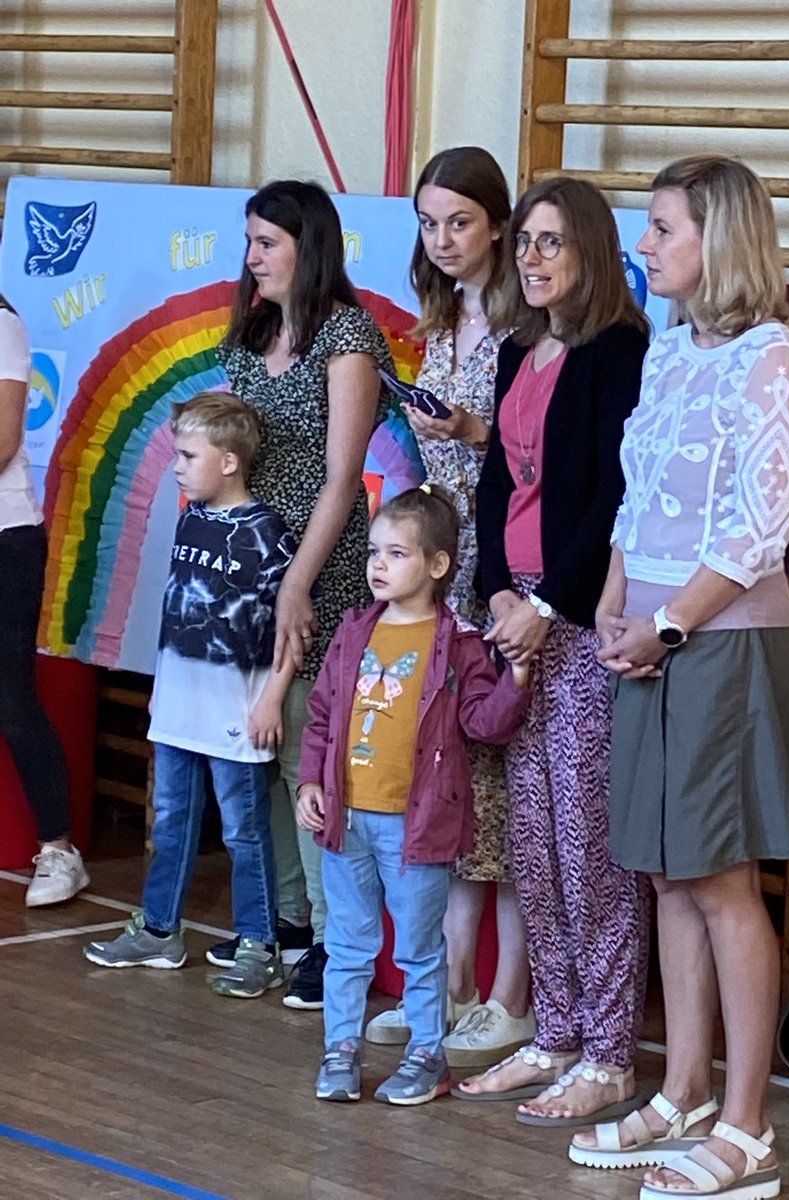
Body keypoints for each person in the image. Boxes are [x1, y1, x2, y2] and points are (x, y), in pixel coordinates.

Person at [574, 155, 789, 1200]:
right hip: (651, 631)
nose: (646, 245)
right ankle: (679, 1092)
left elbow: (758, 531)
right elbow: (639, 502)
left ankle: (747, 1126)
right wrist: (614, 598)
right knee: (670, 872)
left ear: (717, 239)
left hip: (718, 641)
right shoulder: (671, 353)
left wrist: (668, 626)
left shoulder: (773, 358)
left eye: (663, 228)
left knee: (723, 882)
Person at [455, 178, 651, 1124]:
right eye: (525, 243)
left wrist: (546, 601)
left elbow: (616, 495)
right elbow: (498, 482)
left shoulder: (621, 349)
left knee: (589, 849)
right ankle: (556, 1032)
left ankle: (610, 1053)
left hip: (576, 623)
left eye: (549, 244)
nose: (530, 260)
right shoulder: (519, 349)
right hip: (515, 620)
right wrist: (496, 587)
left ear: (591, 254)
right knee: (533, 843)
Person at [364, 146, 535, 1067]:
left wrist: (467, 428)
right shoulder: (442, 319)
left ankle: (510, 997)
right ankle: (452, 983)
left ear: (498, 224)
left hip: (502, 562)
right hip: (443, 558)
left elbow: (522, 446)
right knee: (454, 785)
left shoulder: (522, 319)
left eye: (460, 223)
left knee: (504, 787)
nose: (444, 240)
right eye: (430, 224)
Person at [211, 180, 393, 1009]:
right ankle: (285, 917)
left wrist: (296, 582)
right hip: (250, 562)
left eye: (267, 244)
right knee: (260, 752)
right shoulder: (250, 335)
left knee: (307, 754)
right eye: (249, 243)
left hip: (323, 565)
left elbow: (342, 478)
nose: (252, 259)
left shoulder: (347, 336)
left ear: (307, 247)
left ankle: (331, 934)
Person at [297, 485, 531, 1105]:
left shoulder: (458, 645)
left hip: (416, 827)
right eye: (375, 551)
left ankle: (427, 1054)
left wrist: (518, 678)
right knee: (347, 944)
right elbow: (323, 715)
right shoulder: (353, 631)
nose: (377, 565)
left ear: (436, 565)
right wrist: (312, 781)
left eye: (395, 553)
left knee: (422, 948)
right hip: (346, 821)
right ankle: (341, 1048)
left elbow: (485, 723)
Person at [84, 392, 296, 998]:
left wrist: (270, 698)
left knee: (243, 830)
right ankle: (159, 931)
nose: (176, 465)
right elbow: (176, 611)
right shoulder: (190, 517)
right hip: (179, 703)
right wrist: (160, 688)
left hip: (235, 708)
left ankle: (259, 944)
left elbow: (286, 627)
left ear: (229, 461)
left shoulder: (266, 532)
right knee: (173, 820)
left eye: (187, 455)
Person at [0, 296, 89, 908]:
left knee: (11, 694)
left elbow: (5, 439)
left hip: (7, 537)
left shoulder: (2, 324)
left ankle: (59, 850)